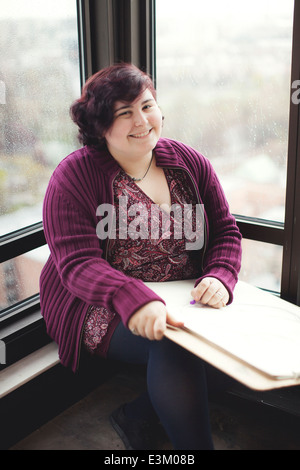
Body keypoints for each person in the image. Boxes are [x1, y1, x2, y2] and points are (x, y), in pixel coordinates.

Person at [40, 63, 242, 450]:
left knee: (227, 356)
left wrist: (219, 275)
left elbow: (225, 231)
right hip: (97, 303)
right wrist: (134, 299)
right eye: (124, 112)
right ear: (100, 127)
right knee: (175, 342)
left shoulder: (190, 162)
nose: (142, 120)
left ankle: (137, 416)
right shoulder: (73, 177)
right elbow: (78, 264)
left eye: (147, 106)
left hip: (180, 293)